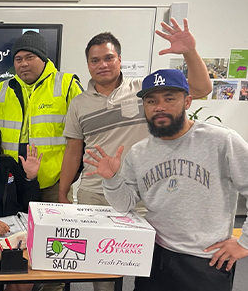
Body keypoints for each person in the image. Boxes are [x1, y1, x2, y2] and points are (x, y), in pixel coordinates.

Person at [84, 69, 248, 291]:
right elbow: (125, 204)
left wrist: (244, 243)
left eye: (169, 98)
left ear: (187, 101)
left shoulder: (221, 140)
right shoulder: (139, 153)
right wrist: (112, 179)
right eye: (151, 101)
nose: (159, 106)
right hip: (155, 255)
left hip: (206, 260)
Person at [59, 18, 211, 211]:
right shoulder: (78, 103)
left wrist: (189, 52)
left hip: (139, 192)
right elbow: (73, 152)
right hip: (92, 193)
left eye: (109, 58)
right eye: (95, 60)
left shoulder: (144, 90)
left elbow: (201, 89)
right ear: (88, 65)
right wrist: (63, 194)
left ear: (120, 60)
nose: (102, 65)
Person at [0, 31, 84, 206]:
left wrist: (70, 180)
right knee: (14, 231)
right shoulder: (3, 88)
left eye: (30, 57)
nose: (24, 64)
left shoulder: (67, 85)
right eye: (18, 59)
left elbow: (85, 132)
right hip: (11, 181)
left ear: (43, 58)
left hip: (54, 184)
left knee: (51, 231)